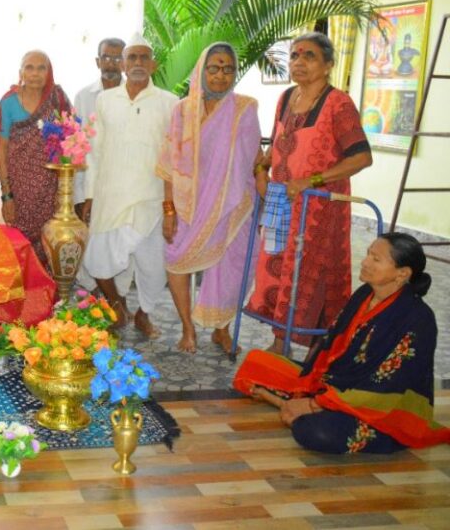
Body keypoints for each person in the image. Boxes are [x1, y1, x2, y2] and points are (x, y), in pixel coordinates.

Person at [234, 233, 449, 454]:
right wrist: (313, 390)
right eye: (368, 254)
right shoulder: (365, 293)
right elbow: (331, 345)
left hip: (381, 407)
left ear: (402, 273)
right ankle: (306, 407)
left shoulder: (418, 319)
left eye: (376, 259)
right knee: (255, 364)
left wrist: (312, 403)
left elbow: (387, 386)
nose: (365, 262)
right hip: (334, 384)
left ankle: (316, 413)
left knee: (314, 432)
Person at [247, 32, 372, 354]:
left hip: (320, 210)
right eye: (294, 55)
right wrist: (261, 170)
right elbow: (276, 147)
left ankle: (321, 348)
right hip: (282, 205)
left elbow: (361, 157)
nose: (299, 62)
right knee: (278, 269)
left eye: (309, 56)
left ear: (328, 65)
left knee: (310, 275)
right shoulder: (287, 97)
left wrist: (312, 181)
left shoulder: (338, 103)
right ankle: (281, 342)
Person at [156, 43, 261, 354]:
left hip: (232, 204)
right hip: (188, 206)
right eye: (213, 68)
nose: (220, 75)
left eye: (228, 68)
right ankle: (188, 328)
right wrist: (169, 209)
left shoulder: (245, 108)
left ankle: (222, 329)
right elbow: (168, 165)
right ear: (201, 70)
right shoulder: (182, 110)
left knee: (228, 265)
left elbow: (252, 157)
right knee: (177, 261)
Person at [82, 33, 179, 337]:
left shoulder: (170, 103)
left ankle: (143, 315)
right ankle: (116, 308)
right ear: (123, 64)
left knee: (153, 268)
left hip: (151, 199)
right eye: (132, 58)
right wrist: (90, 196)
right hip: (111, 196)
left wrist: (171, 204)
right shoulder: (105, 100)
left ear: (154, 64)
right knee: (97, 260)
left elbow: (175, 156)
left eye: (143, 58)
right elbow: (95, 153)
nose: (137, 63)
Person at [0, 50, 72, 265]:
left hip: (51, 186)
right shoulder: (8, 102)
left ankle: (48, 293)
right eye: (29, 67)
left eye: (41, 68)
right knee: (19, 245)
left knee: (51, 241)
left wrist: (63, 190)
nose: (35, 73)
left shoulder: (57, 99)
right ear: (21, 72)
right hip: (19, 187)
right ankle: (25, 294)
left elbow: (69, 141)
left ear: (49, 72)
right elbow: (2, 148)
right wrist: (6, 196)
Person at [72, 37, 125, 217]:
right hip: (90, 194)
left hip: (125, 192)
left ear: (125, 63)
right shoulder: (83, 97)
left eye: (118, 59)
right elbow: (77, 150)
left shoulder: (135, 97)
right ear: (98, 62)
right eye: (106, 58)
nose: (111, 64)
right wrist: (79, 197)